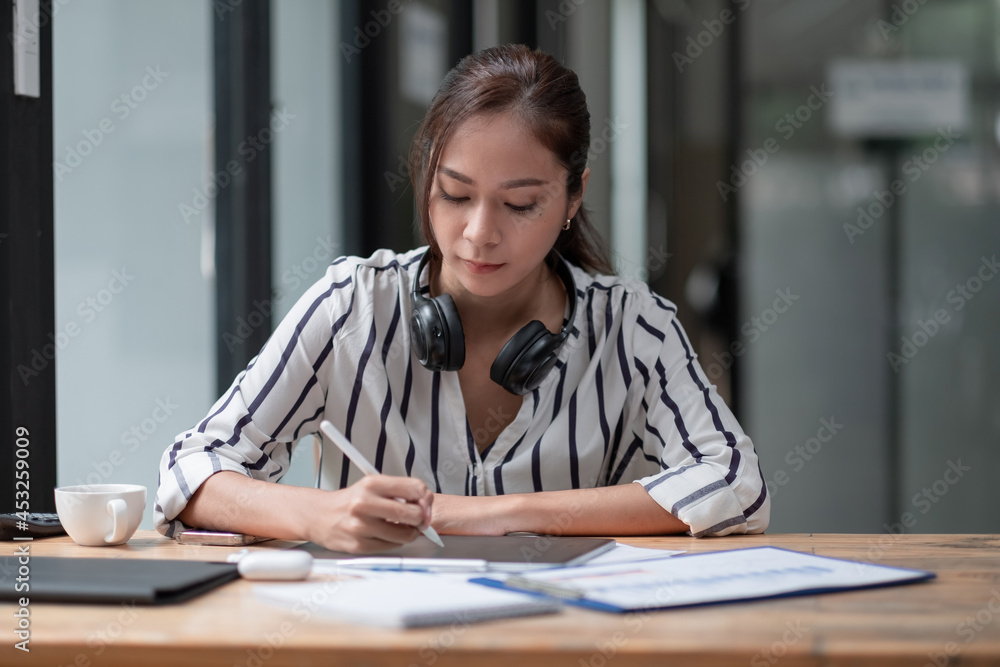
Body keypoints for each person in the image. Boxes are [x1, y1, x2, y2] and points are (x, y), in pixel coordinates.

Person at [155, 44, 769, 553]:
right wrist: (322, 516)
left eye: (520, 204)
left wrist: (497, 514)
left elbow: (735, 482)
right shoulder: (352, 307)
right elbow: (191, 471)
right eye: (454, 194)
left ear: (573, 196)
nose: (479, 233)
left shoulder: (633, 327)